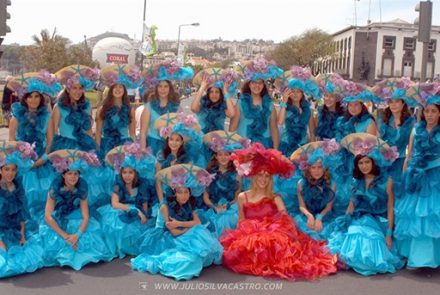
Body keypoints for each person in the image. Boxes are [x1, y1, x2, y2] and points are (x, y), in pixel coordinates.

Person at [221, 143, 338, 280]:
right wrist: (244, 235)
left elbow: (285, 218)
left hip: (272, 232)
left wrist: (273, 229)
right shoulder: (243, 197)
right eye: (260, 175)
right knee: (247, 246)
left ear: (270, 179)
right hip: (251, 233)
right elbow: (241, 221)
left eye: (267, 176)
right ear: (254, 176)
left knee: (273, 242)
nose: (263, 179)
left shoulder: (275, 197)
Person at [328, 133, 403, 276]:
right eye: (360, 163)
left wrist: (388, 234)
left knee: (371, 249)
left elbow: (390, 209)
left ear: (374, 162)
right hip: (360, 218)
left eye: (367, 162)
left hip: (379, 220)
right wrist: (343, 225)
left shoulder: (387, 181)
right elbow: (351, 206)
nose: (364, 166)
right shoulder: (356, 182)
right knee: (353, 232)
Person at [131, 164, 222, 281]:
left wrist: (179, 224)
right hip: (167, 236)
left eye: (186, 192)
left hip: (181, 232)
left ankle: (194, 256)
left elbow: (197, 222)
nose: (184, 196)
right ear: (174, 193)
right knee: (188, 256)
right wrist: (189, 226)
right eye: (180, 192)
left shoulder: (188, 203)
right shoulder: (165, 206)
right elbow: (174, 232)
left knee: (199, 232)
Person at [40, 150, 112, 270]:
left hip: (76, 214)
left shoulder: (82, 185)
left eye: (76, 174)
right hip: (60, 216)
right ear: (63, 175)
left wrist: (77, 235)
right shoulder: (55, 187)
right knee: (59, 243)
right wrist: (66, 236)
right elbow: (47, 216)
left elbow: (85, 216)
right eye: (69, 174)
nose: (73, 177)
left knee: (86, 239)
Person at [394, 85, 440, 268]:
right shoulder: (416, 129)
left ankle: (432, 256)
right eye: (427, 111)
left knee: (432, 214)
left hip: (435, 176)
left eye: (434, 111)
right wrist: (406, 173)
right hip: (415, 175)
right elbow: (410, 153)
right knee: (415, 215)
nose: (429, 114)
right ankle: (415, 256)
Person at [8, 71, 62, 218]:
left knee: (47, 192)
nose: (33, 100)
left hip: (43, 161)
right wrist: (22, 161)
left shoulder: (47, 117)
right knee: (26, 194)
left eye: (36, 96)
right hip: (23, 164)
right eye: (30, 96)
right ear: (24, 98)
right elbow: (11, 143)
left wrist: (43, 159)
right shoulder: (16, 118)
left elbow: (51, 141)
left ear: (41, 97)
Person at [98, 142, 156, 258]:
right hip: (123, 208)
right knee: (116, 222)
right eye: (124, 172)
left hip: (138, 208)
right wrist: (132, 209)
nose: (127, 176)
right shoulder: (118, 184)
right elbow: (114, 204)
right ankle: (121, 247)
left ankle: (131, 246)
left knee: (142, 227)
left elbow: (144, 202)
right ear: (121, 173)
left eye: (130, 172)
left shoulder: (142, 183)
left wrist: (143, 214)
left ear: (135, 173)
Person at [0, 141, 44, 278]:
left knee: (24, 252)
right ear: (0, 170)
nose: (10, 173)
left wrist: (22, 235)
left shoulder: (18, 186)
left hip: (12, 228)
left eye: (13, 170)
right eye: (6, 169)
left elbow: (21, 214)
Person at [373, 78, 417, 197]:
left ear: (403, 103)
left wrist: (408, 162)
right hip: (384, 162)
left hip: (402, 163)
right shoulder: (382, 118)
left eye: (397, 101)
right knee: (383, 193)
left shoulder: (411, 121)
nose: (393, 104)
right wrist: (387, 83)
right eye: (391, 101)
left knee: (398, 194)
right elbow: (377, 141)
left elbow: (412, 146)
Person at [290, 140, 341, 241]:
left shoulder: (332, 184)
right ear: (308, 169)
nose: (317, 171)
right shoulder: (301, 183)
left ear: (324, 169)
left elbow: (328, 207)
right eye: (313, 168)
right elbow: (301, 206)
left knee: (323, 235)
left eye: (319, 167)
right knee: (303, 236)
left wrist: (319, 218)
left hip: (325, 216)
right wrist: (309, 216)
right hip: (306, 215)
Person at [198, 131, 246, 237]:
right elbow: (205, 196)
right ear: (215, 156)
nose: (223, 157)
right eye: (220, 154)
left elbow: (238, 195)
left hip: (231, 207)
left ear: (231, 156)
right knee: (210, 224)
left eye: (226, 154)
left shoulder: (237, 173)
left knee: (229, 219)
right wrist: (214, 207)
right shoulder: (209, 172)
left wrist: (228, 205)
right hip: (213, 207)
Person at [139, 61, 193, 155]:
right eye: (160, 86)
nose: (162, 89)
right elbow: (143, 132)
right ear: (156, 88)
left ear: (170, 88)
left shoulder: (177, 108)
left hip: (171, 148)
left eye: (165, 86)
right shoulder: (149, 107)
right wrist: (143, 150)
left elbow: (181, 131)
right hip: (152, 147)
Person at [229, 57, 282, 149]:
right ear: (249, 85)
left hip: (264, 148)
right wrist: (231, 148)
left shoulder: (270, 104)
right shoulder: (240, 103)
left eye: (260, 83)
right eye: (253, 82)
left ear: (263, 85)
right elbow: (232, 127)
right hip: (243, 148)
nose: (257, 86)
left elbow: (274, 129)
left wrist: (275, 150)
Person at [47, 65, 100, 152]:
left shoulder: (87, 106)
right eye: (74, 88)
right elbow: (54, 131)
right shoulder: (58, 107)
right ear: (68, 89)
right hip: (65, 147)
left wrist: (92, 147)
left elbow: (89, 130)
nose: (78, 92)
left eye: (80, 88)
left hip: (85, 146)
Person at [96, 65, 141, 158]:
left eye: (120, 87)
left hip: (124, 146)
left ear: (124, 90)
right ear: (111, 90)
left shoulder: (130, 110)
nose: (118, 89)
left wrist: (136, 147)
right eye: (115, 87)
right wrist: (98, 149)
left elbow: (132, 133)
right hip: (107, 146)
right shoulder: (102, 109)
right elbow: (98, 132)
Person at [277, 66, 322, 156]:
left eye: (298, 91)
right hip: (286, 146)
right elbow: (280, 121)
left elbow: (312, 132)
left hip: (302, 147)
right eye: (292, 91)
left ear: (302, 93)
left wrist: (312, 151)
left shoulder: (308, 110)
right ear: (288, 93)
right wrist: (284, 102)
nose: (295, 94)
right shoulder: (285, 107)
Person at [190, 68, 236, 133]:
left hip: (218, 140)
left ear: (221, 94)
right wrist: (202, 87)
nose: (214, 94)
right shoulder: (203, 105)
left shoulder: (223, 106)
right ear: (208, 93)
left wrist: (225, 91)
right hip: (203, 139)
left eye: (217, 92)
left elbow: (231, 114)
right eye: (211, 92)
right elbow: (194, 108)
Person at [314, 73, 346, 140]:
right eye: (326, 95)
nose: (328, 99)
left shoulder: (344, 115)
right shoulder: (319, 113)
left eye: (331, 96)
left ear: (337, 98)